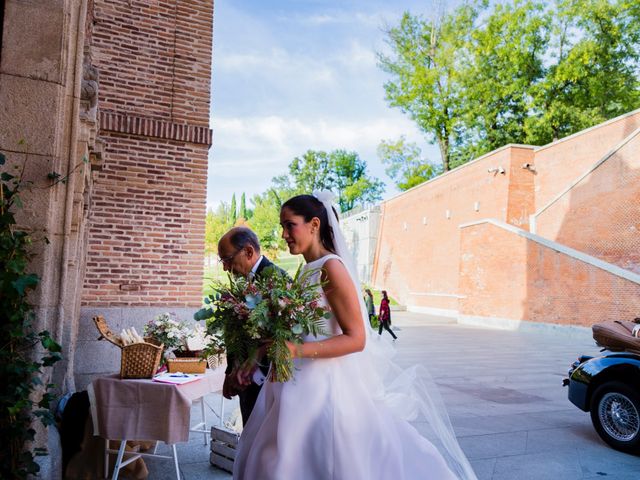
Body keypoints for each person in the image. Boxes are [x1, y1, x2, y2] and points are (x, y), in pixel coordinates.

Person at [233, 192, 476, 480]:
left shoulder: (331, 268)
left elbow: (356, 338)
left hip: (323, 387)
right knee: (276, 457)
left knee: (313, 458)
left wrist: (296, 351)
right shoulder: (305, 271)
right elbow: (293, 331)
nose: (284, 234)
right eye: (282, 227)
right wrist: (257, 355)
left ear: (314, 224)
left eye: (289, 225)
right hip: (292, 383)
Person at [217, 226, 285, 426]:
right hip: (245, 384)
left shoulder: (277, 280)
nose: (225, 268)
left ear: (248, 251)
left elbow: (284, 337)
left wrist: (252, 366)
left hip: (268, 384)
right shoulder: (241, 283)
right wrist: (231, 371)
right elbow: (235, 335)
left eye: (227, 259)